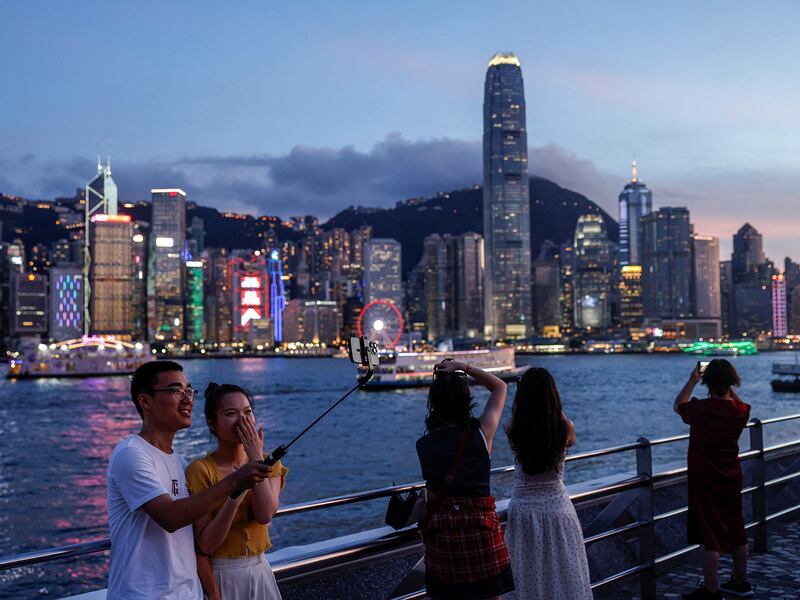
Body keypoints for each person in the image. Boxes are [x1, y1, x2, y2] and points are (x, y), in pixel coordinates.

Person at [107, 361, 271, 600]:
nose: (187, 399)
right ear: (145, 402)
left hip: (189, 594)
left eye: (189, 391)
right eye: (175, 391)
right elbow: (170, 517)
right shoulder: (131, 454)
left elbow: (196, 541)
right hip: (143, 594)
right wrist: (235, 481)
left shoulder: (181, 463)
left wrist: (213, 593)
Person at [415, 359, 514, 600]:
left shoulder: (424, 446)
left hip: (446, 544)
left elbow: (434, 495)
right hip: (482, 537)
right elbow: (500, 387)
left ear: (434, 403)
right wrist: (462, 367)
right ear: (465, 399)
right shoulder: (481, 433)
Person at [186, 383, 288, 600]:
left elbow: (264, 515)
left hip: (260, 568)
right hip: (222, 575)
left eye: (248, 412)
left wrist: (256, 460)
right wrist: (236, 491)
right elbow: (206, 544)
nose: (243, 420)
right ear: (213, 424)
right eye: (231, 414)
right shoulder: (201, 470)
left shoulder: (270, 463)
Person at [504, 367, 592, 599]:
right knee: (564, 576)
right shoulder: (565, 428)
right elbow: (568, 437)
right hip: (557, 511)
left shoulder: (512, 428)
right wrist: (553, 407)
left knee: (527, 577)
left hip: (523, 512)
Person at [674, 359, 752, 600]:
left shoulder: (701, 409)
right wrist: (728, 386)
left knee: (708, 534)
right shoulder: (741, 410)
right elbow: (738, 403)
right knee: (736, 527)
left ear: (707, 382)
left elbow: (679, 406)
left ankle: (711, 590)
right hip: (731, 474)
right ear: (732, 382)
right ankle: (740, 582)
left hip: (704, 477)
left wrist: (692, 381)